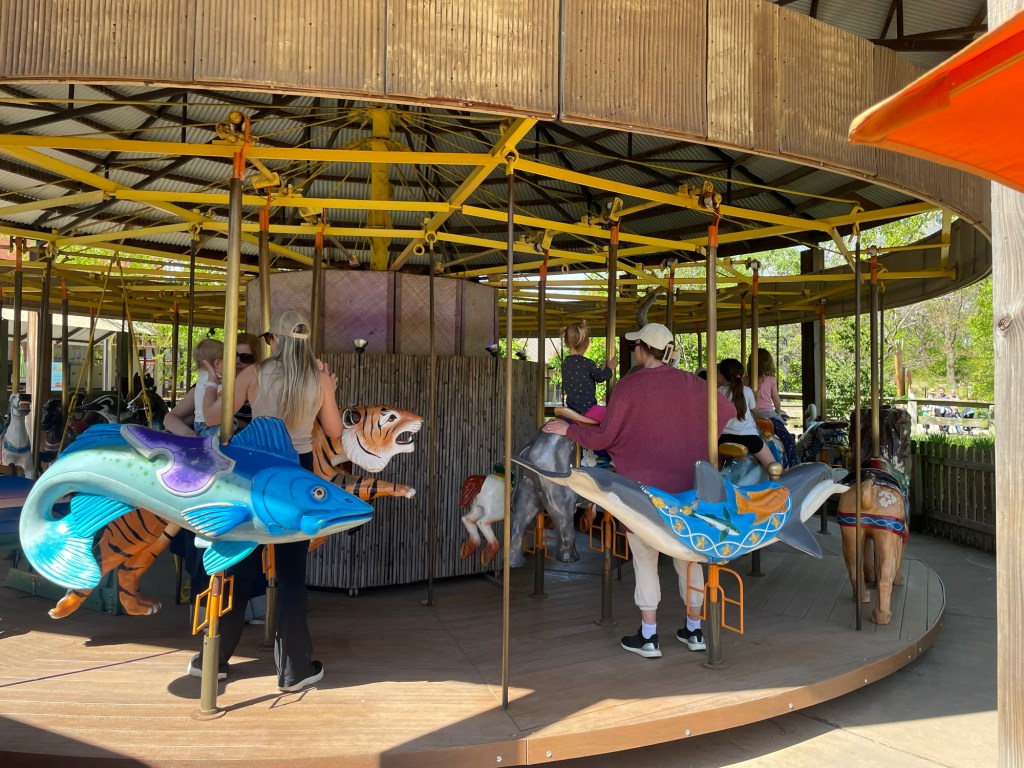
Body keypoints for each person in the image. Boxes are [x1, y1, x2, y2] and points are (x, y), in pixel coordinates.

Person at [542, 322, 735, 659]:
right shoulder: (693, 382)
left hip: (643, 494)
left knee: (645, 559)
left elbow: (604, 438)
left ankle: (648, 636)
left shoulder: (629, 387)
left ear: (644, 349)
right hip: (689, 491)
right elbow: (728, 410)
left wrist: (569, 429)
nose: (633, 350)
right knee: (689, 560)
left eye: (635, 346)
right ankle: (694, 630)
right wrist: (696, 441)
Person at [190, 310, 344, 692]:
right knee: (292, 574)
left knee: (240, 561)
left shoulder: (253, 374)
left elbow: (212, 417)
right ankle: (293, 669)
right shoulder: (318, 378)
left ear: (274, 338)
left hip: (258, 470)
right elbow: (336, 433)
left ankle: (214, 658)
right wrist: (331, 391)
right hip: (298, 470)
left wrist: (212, 384)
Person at [164, 334, 261, 438]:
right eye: (233, 355)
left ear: (255, 361)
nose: (237, 361)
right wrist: (190, 435)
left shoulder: (260, 387)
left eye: (245, 358)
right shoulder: (211, 383)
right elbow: (170, 417)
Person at [717, 358, 777, 469]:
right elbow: (755, 410)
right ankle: (779, 482)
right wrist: (757, 396)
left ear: (721, 374)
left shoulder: (719, 391)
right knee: (773, 467)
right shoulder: (747, 391)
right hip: (748, 438)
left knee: (715, 466)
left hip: (723, 438)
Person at [746, 347, 798, 467]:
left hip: (750, 416)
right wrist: (778, 410)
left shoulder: (745, 380)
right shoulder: (770, 380)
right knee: (788, 440)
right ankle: (794, 465)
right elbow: (776, 399)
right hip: (768, 415)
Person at [560, 320, 616, 422]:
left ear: (566, 342)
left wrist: (602, 368)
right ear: (586, 343)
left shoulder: (566, 363)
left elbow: (584, 374)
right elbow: (600, 377)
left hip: (571, 409)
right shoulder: (588, 363)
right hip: (587, 409)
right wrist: (610, 368)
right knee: (614, 418)